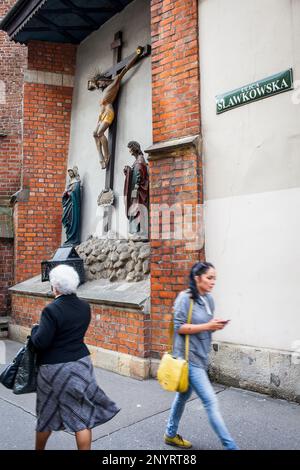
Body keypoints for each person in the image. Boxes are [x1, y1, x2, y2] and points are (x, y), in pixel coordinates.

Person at [30, 265, 120, 450]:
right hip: (81, 365)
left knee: (46, 414)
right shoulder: (84, 306)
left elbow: (41, 343)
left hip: (54, 369)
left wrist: (35, 330)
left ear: (55, 286)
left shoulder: (51, 310)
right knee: (81, 417)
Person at [164, 262, 239, 450]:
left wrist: (215, 323)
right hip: (188, 360)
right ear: (198, 278)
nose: (213, 282)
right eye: (209, 277)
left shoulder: (208, 299)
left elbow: (204, 323)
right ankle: (231, 447)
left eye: (215, 278)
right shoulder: (185, 298)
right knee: (211, 402)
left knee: (182, 397)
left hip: (201, 356)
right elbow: (179, 327)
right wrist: (208, 326)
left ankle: (170, 434)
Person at [89, 47, 143, 169]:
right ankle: (101, 157)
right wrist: (98, 121)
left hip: (109, 112)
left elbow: (126, 68)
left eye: (99, 84)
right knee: (94, 133)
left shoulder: (114, 83)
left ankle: (107, 156)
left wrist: (137, 54)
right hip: (102, 114)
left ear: (103, 80)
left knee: (100, 132)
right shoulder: (104, 91)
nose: (99, 87)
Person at [123, 141, 149, 237]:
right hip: (136, 190)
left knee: (138, 209)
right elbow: (134, 174)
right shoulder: (137, 161)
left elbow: (140, 176)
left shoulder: (140, 160)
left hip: (138, 191)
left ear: (134, 148)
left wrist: (136, 187)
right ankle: (136, 230)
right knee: (134, 209)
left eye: (130, 148)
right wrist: (128, 171)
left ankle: (140, 230)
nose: (129, 151)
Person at [62, 167, 81, 246]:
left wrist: (69, 193)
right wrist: (65, 194)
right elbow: (66, 193)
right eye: (69, 172)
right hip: (68, 204)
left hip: (74, 205)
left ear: (74, 173)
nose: (70, 174)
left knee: (72, 219)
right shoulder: (70, 182)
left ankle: (73, 239)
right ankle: (69, 238)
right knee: (66, 219)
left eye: (71, 172)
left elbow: (75, 192)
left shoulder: (76, 182)